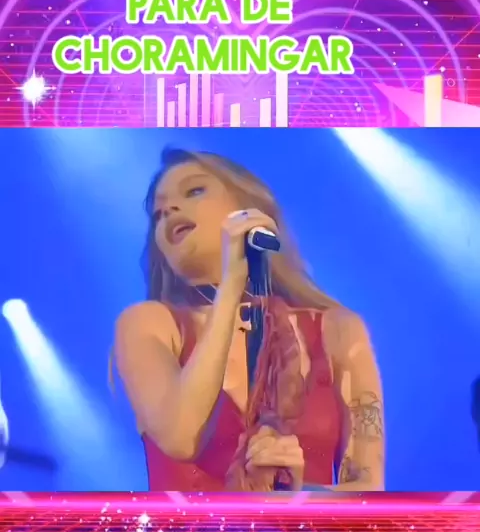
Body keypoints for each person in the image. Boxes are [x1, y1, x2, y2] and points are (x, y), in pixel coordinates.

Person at [115, 147, 385, 492]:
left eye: (194, 191)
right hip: (191, 530)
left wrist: (295, 496)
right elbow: (180, 437)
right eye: (158, 213)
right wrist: (231, 284)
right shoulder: (148, 325)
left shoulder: (337, 330)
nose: (168, 211)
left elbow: (367, 489)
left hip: (306, 530)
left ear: (250, 210)